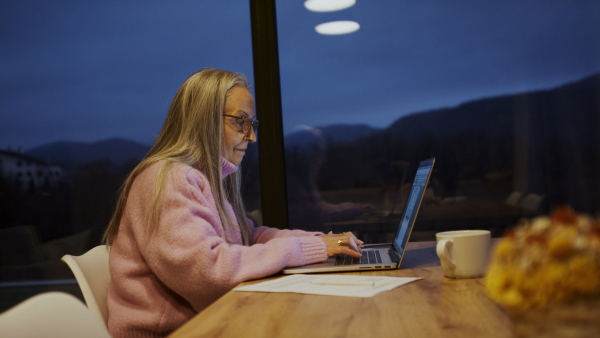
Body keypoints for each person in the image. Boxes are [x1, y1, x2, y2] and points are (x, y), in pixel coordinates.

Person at [102, 68, 363, 337]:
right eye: (240, 122)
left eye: (253, 124)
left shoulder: (204, 178)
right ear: (203, 120)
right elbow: (208, 270)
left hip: (209, 321)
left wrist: (321, 242)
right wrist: (312, 247)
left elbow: (248, 237)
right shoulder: (167, 178)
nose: (252, 137)